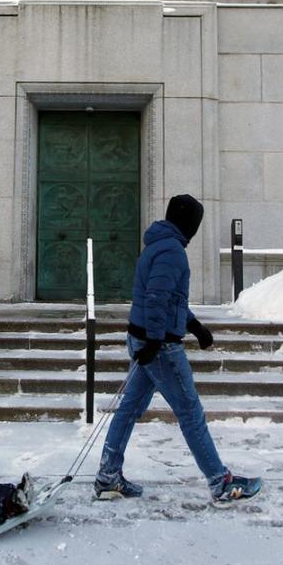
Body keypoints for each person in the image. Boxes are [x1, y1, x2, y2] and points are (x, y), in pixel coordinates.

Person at [94, 194, 263, 507]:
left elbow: (169, 300)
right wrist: (157, 341)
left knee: (129, 409)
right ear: (188, 222)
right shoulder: (172, 251)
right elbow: (158, 298)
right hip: (159, 348)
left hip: (143, 338)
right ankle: (221, 483)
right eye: (195, 221)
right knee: (191, 414)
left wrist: (194, 326)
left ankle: (108, 476)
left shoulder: (158, 245)